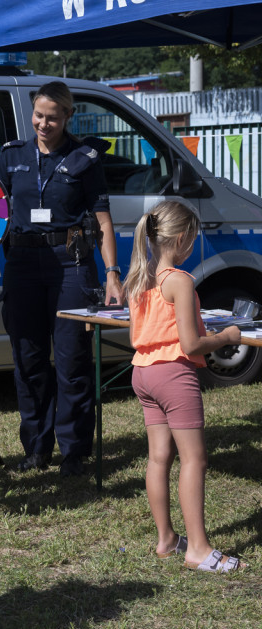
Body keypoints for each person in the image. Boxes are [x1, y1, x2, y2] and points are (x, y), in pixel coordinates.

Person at [0, 81, 125, 477]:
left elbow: (102, 219)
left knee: (72, 362)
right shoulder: (12, 156)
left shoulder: (85, 158)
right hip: (22, 265)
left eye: (52, 117)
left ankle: (74, 451)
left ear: (68, 116)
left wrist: (113, 274)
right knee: (28, 361)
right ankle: (36, 448)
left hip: (70, 264)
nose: (43, 124)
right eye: (38, 115)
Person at [125, 201, 242, 573]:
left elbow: (136, 337)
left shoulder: (138, 281)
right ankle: (199, 550)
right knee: (195, 459)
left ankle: (167, 540)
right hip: (174, 375)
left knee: (159, 458)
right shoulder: (180, 280)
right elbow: (191, 345)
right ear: (182, 239)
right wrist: (225, 335)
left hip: (143, 373)